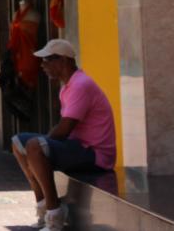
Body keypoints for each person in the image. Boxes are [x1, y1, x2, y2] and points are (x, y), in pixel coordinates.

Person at [11, 39, 116, 230]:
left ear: (64, 61)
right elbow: (62, 130)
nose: (43, 65)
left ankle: (55, 214)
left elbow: (65, 128)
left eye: (47, 60)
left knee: (34, 146)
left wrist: (39, 148)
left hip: (95, 154)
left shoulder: (80, 85)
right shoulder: (69, 85)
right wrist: (38, 149)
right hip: (78, 146)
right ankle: (43, 206)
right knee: (18, 142)